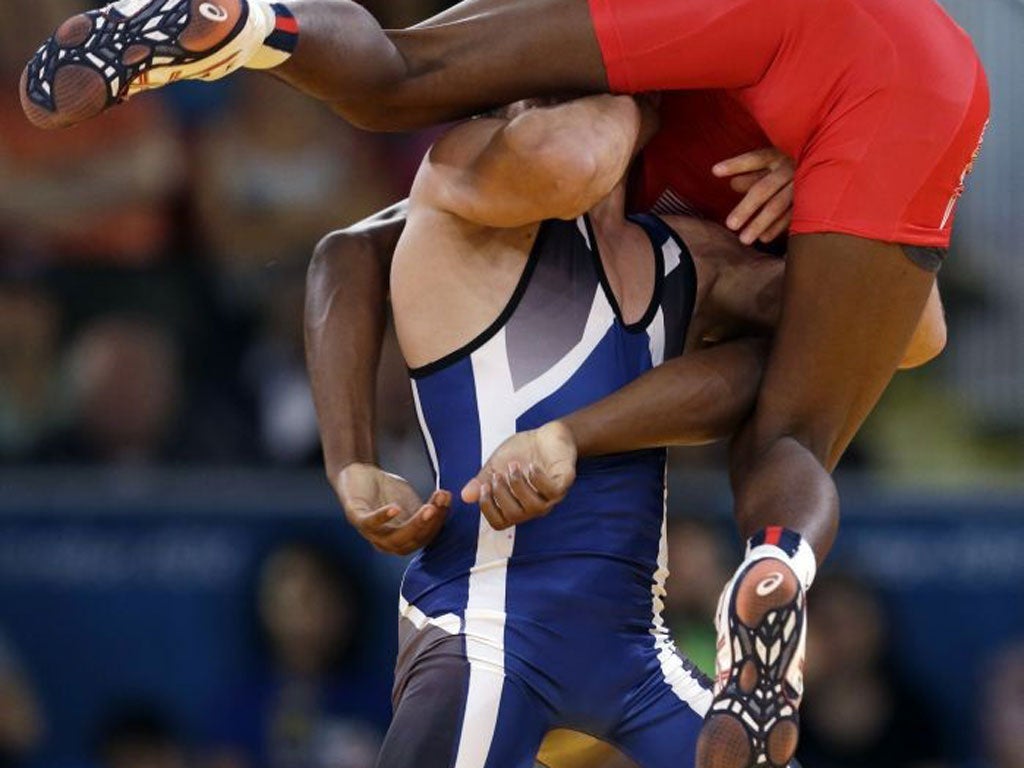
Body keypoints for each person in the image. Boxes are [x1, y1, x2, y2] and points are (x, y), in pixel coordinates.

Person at [22, 0, 982, 762]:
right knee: (794, 422)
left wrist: (356, 458)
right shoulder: (687, 249)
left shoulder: (606, 206)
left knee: (423, 80)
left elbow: (346, 251)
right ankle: (782, 559)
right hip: (910, 68)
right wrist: (816, 196)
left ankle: (254, 27)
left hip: (518, 624)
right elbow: (913, 331)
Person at [311, 94, 943, 768]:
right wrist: (350, 461)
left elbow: (908, 331)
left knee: (794, 366)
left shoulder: (688, 254)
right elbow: (349, 249)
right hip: (484, 629)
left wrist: (825, 193)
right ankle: (782, 551)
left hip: (633, 649)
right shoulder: (461, 184)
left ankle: (777, 557)